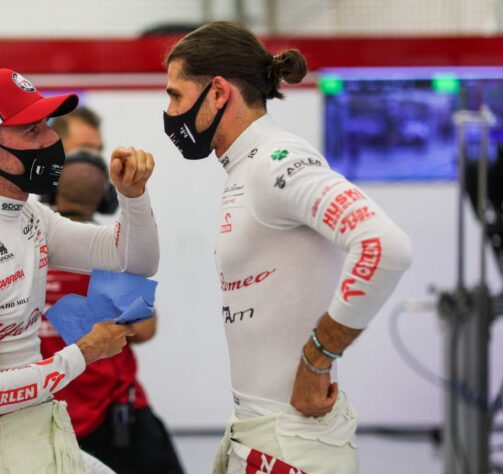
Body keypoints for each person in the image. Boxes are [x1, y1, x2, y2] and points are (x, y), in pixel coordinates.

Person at [162, 22, 412, 474]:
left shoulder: (279, 159)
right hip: (257, 431)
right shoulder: (244, 166)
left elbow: (383, 246)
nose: (170, 110)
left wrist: (318, 358)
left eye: (176, 95)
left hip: (291, 441)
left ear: (218, 92)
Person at [0, 68, 159, 473]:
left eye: (45, 125)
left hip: (42, 433)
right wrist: (85, 352)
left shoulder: (29, 217)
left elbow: (133, 260)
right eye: (30, 131)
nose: (50, 141)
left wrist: (133, 196)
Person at [39, 108, 184, 474]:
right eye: (83, 150)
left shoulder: (105, 248)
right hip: (48, 421)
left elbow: (146, 329)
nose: (93, 162)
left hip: (116, 422)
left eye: (96, 151)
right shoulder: (29, 242)